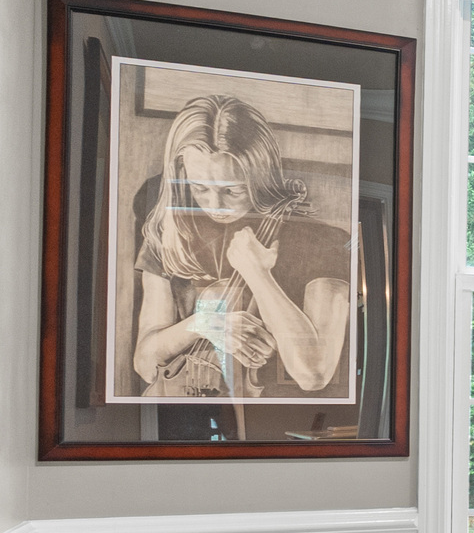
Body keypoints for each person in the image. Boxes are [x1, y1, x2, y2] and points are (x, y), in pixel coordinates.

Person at [128, 91, 351, 399]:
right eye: (200, 188)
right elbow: (145, 362)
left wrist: (258, 273)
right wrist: (207, 324)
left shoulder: (324, 241)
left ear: (259, 175)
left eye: (231, 190)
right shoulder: (170, 234)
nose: (215, 204)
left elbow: (313, 373)